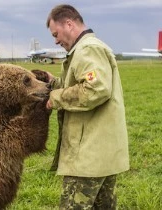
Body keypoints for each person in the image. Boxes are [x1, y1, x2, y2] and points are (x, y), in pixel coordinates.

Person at [45, 4, 130, 209]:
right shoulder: (87, 48)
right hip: (103, 155)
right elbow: (82, 84)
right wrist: (54, 83)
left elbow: (96, 89)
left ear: (69, 23)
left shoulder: (87, 49)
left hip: (88, 159)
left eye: (56, 34)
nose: (56, 40)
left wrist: (55, 98)